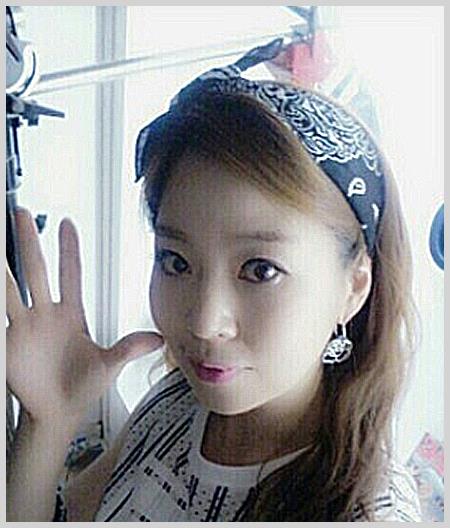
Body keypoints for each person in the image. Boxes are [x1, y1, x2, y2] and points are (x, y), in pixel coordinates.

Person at [6, 39, 422, 522]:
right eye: (176, 261)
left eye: (261, 270)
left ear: (354, 286)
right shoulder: (177, 403)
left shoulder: (365, 512)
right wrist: (48, 425)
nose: (203, 323)